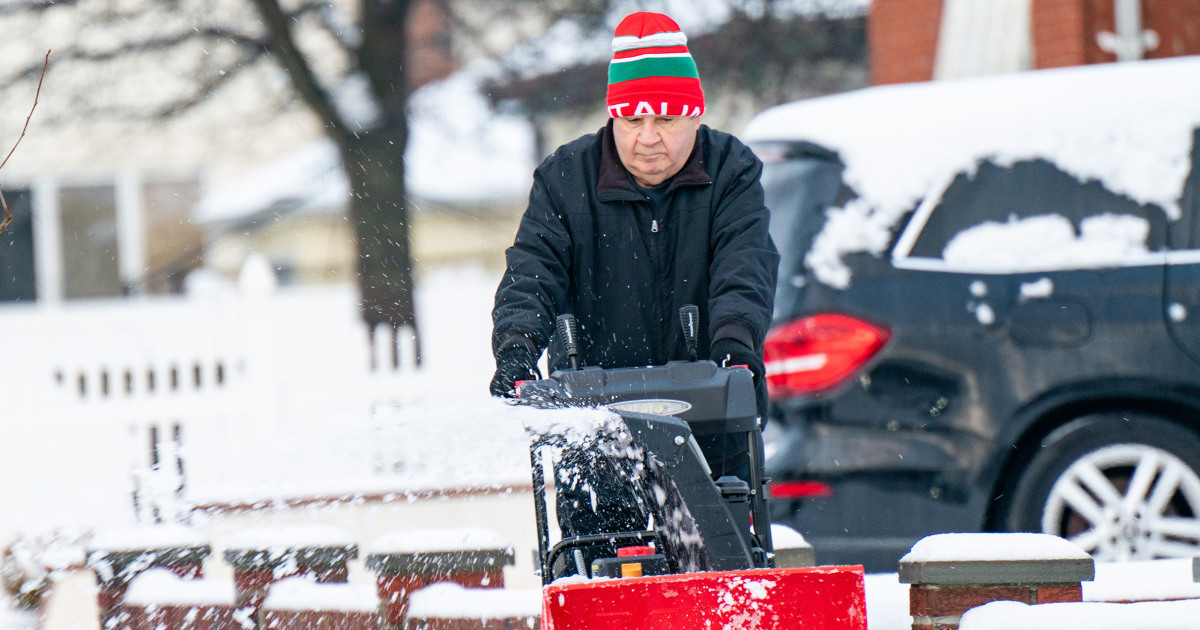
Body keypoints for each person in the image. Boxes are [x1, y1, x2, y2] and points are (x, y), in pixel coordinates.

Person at [490, 11, 779, 556]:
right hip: (596, 438)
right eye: (632, 120)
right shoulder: (564, 180)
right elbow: (532, 270)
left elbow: (747, 266)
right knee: (604, 581)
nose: (648, 138)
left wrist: (735, 347)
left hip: (710, 431)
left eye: (667, 120)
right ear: (611, 118)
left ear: (696, 115)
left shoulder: (732, 172)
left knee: (718, 576)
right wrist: (517, 348)